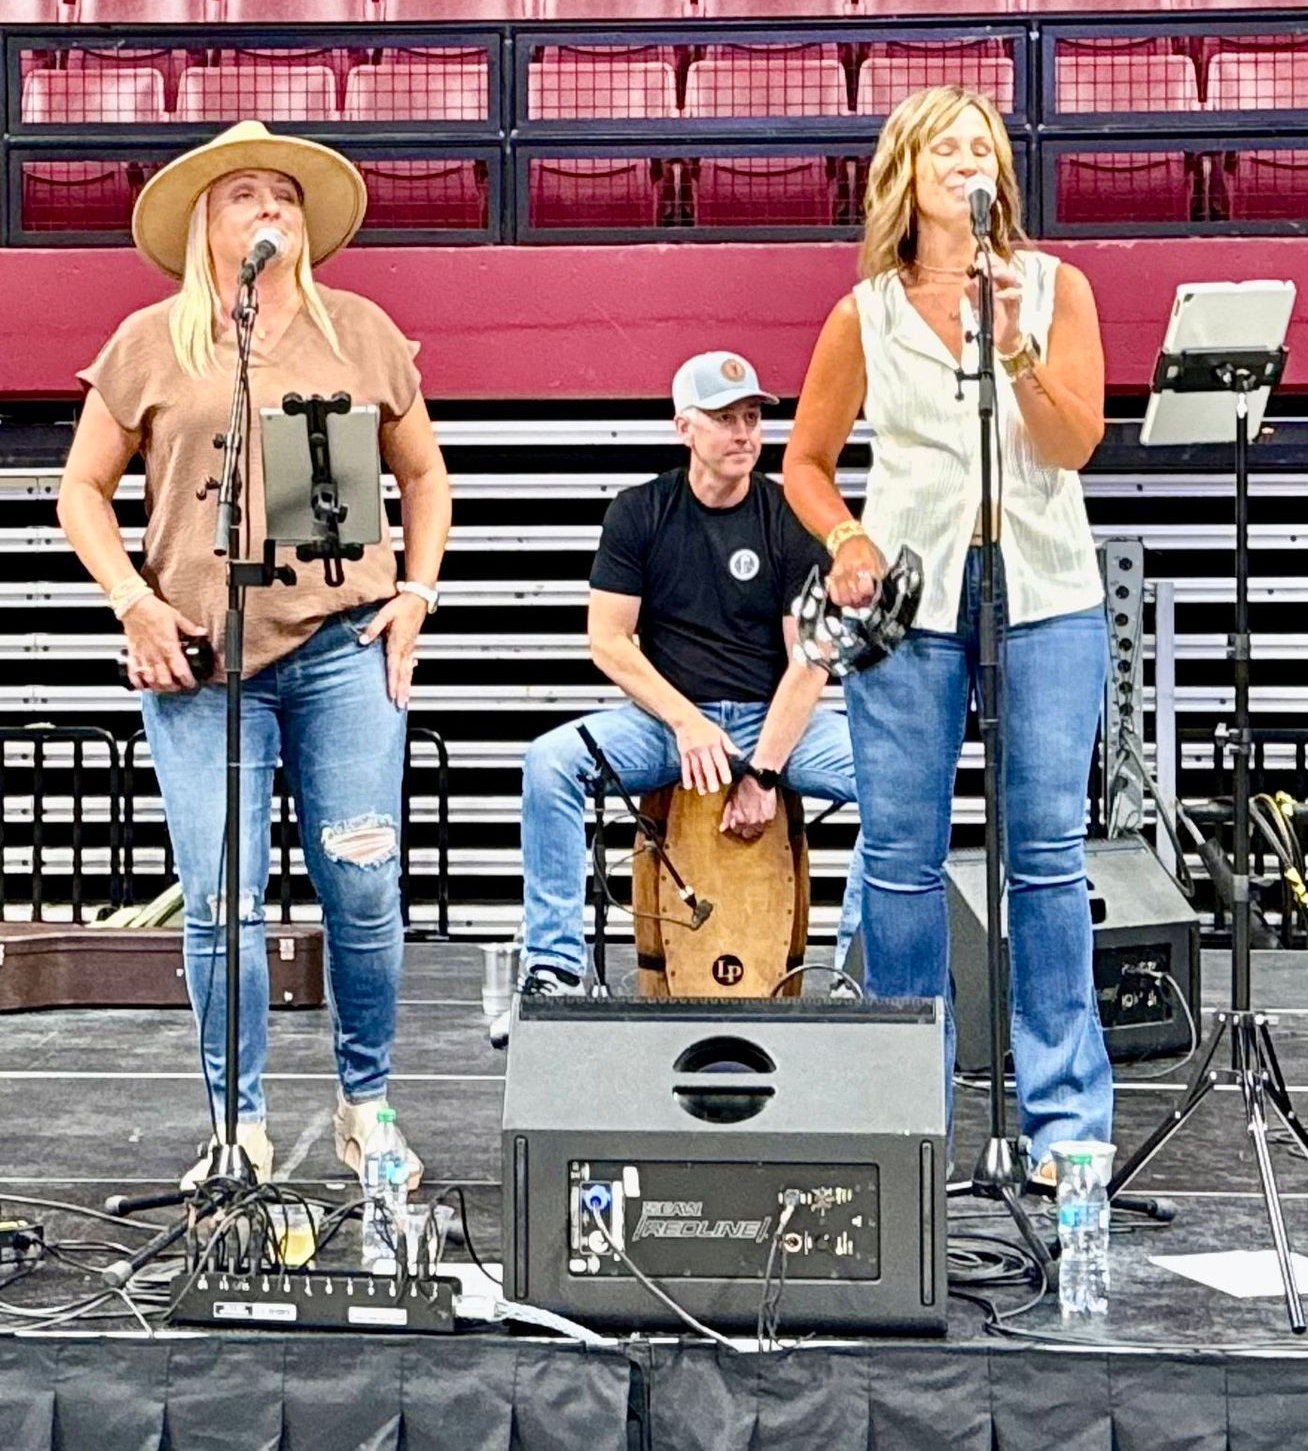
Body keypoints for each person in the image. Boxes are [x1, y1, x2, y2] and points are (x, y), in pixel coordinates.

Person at [56, 121, 453, 1188]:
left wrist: (417, 590)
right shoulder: (152, 341)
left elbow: (424, 476)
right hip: (198, 660)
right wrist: (132, 602)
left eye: (284, 194)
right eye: (244, 196)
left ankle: (368, 1103)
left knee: (361, 882)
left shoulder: (361, 331)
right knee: (223, 895)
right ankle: (238, 1124)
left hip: (341, 645)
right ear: (204, 225)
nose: (270, 209)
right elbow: (80, 490)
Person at [783, 85, 1114, 1179]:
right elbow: (806, 466)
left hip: (1046, 596)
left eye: (985, 147)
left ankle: (1065, 1117)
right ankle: (909, 1103)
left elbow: (1072, 446)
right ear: (907, 176)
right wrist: (843, 541)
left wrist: (1015, 346)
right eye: (947, 148)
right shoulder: (862, 311)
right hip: (910, 607)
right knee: (902, 863)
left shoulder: (1058, 289)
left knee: (1049, 862)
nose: (970, 161)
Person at [509, 351, 863, 1041]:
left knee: (897, 782)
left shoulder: (788, 514)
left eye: (753, 418)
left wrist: (763, 770)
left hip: (774, 721)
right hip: (669, 723)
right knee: (549, 764)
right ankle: (555, 964)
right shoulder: (640, 512)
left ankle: (857, 967)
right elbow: (608, 641)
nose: (744, 433)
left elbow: (810, 663)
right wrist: (687, 721)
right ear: (684, 427)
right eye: (725, 419)